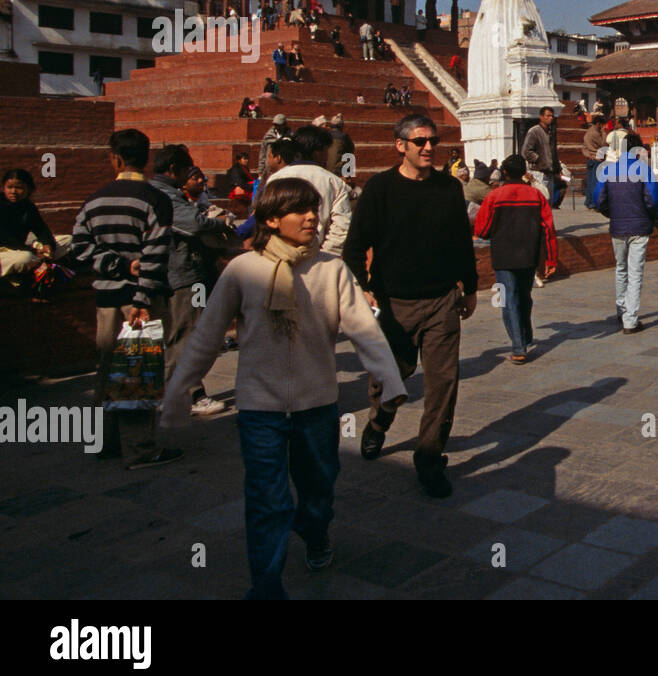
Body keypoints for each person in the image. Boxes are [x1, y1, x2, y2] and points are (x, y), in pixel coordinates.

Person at [161, 178, 406, 599]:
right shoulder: (243, 270)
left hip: (317, 406)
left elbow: (364, 329)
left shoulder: (331, 269)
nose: (313, 217)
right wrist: (177, 395)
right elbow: (206, 337)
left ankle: (314, 532)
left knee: (318, 490)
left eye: (315, 209)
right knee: (266, 501)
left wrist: (390, 379)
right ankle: (266, 587)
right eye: (300, 210)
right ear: (272, 219)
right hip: (260, 410)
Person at [342, 115, 478, 499]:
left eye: (432, 140)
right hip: (393, 301)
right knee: (392, 377)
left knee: (442, 383)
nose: (428, 147)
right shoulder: (381, 189)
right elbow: (354, 246)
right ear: (400, 145)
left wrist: (469, 287)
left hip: (441, 301)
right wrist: (363, 287)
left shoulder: (449, 188)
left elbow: (460, 243)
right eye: (419, 141)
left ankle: (430, 458)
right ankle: (379, 421)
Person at [69, 129, 181, 468]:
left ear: (115, 159)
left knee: (107, 369)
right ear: (146, 159)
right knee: (137, 371)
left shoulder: (94, 200)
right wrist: (142, 298)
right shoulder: (154, 199)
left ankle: (106, 442)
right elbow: (156, 253)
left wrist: (112, 264)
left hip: (106, 299)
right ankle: (140, 450)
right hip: (140, 301)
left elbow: (79, 247)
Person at [151, 144, 232, 416]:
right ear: (174, 170)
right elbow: (193, 224)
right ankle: (188, 394)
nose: (194, 178)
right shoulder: (165, 196)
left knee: (183, 334)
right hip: (181, 273)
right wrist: (223, 224)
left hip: (179, 272)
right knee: (186, 334)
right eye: (189, 171)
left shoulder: (163, 193)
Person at [473, 154, 557, 363]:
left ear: (504, 172)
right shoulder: (536, 196)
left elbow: (482, 230)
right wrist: (551, 260)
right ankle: (526, 337)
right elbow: (548, 229)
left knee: (507, 299)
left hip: (503, 257)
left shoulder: (494, 196)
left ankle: (519, 346)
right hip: (528, 256)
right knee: (524, 296)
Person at [593, 131, 658, 334]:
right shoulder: (644, 170)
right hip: (639, 226)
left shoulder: (608, 170)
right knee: (635, 272)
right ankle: (630, 319)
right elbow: (654, 201)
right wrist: (649, 215)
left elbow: (599, 199)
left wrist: (612, 213)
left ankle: (621, 308)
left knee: (620, 268)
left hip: (618, 226)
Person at [264, 126, 352, 254]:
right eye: (327, 150)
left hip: (279, 253)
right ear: (319, 152)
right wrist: (326, 255)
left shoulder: (276, 178)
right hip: (317, 255)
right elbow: (341, 227)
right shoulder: (334, 182)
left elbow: (266, 218)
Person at [1, 168, 72, 291]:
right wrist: (33, 251)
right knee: (25, 258)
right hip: (6, 251)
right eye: (9, 187)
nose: (13, 192)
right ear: (3, 188)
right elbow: (5, 238)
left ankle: (38, 262)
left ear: (29, 189)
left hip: (23, 249)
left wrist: (48, 245)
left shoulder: (28, 207)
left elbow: (41, 230)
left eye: (19, 188)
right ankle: (37, 262)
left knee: (68, 240)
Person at [521, 106, 558, 202]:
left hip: (549, 173)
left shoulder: (550, 132)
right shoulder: (534, 131)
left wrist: (557, 167)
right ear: (541, 117)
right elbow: (526, 151)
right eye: (548, 116)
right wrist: (539, 159)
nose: (551, 118)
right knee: (540, 202)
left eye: (552, 116)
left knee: (548, 205)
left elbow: (553, 153)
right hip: (538, 173)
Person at [581, 112, 606, 209]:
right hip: (597, 158)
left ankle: (589, 201)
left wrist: (588, 155)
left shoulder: (588, 132)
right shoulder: (596, 133)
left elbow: (584, 147)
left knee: (590, 182)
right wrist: (604, 132)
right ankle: (593, 202)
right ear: (599, 124)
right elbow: (603, 144)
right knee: (595, 183)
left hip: (591, 158)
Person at [258, 114, 291, 180]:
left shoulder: (290, 136)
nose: (277, 127)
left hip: (285, 168)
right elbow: (263, 153)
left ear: (284, 124)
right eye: (275, 124)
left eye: (279, 125)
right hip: (269, 168)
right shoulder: (268, 136)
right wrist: (260, 170)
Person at [324, 114, 355, 179]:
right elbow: (351, 151)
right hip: (339, 171)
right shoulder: (344, 137)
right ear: (341, 126)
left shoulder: (325, 136)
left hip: (325, 169)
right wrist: (349, 175)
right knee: (350, 155)